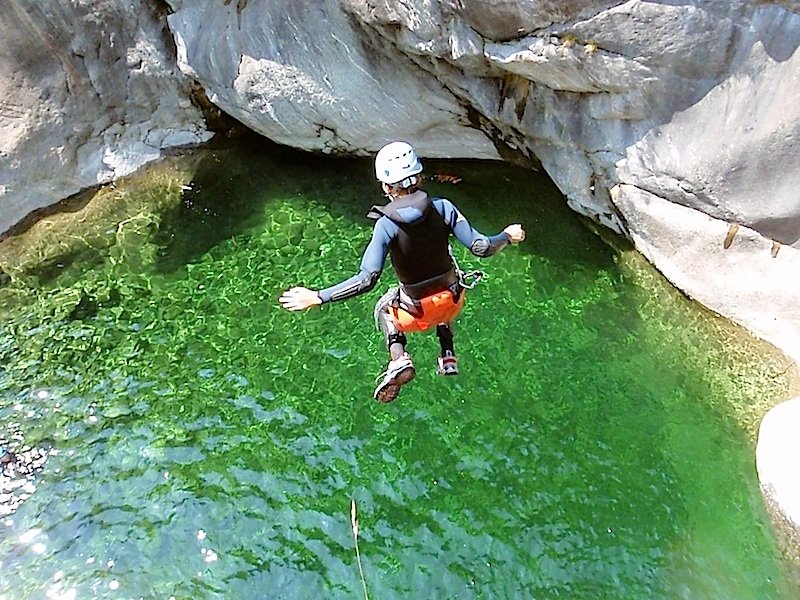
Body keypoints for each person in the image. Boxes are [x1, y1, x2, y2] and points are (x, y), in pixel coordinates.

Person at [279, 141, 525, 402]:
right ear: (419, 176)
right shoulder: (443, 208)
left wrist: (319, 296)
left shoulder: (386, 225)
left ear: (386, 187)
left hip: (413, 314)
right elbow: (481, 247)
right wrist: (507, 236)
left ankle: (399, 359)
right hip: (453, 301)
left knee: (384, 308)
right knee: (446, 297)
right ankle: (447, 354)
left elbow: (367, 279)